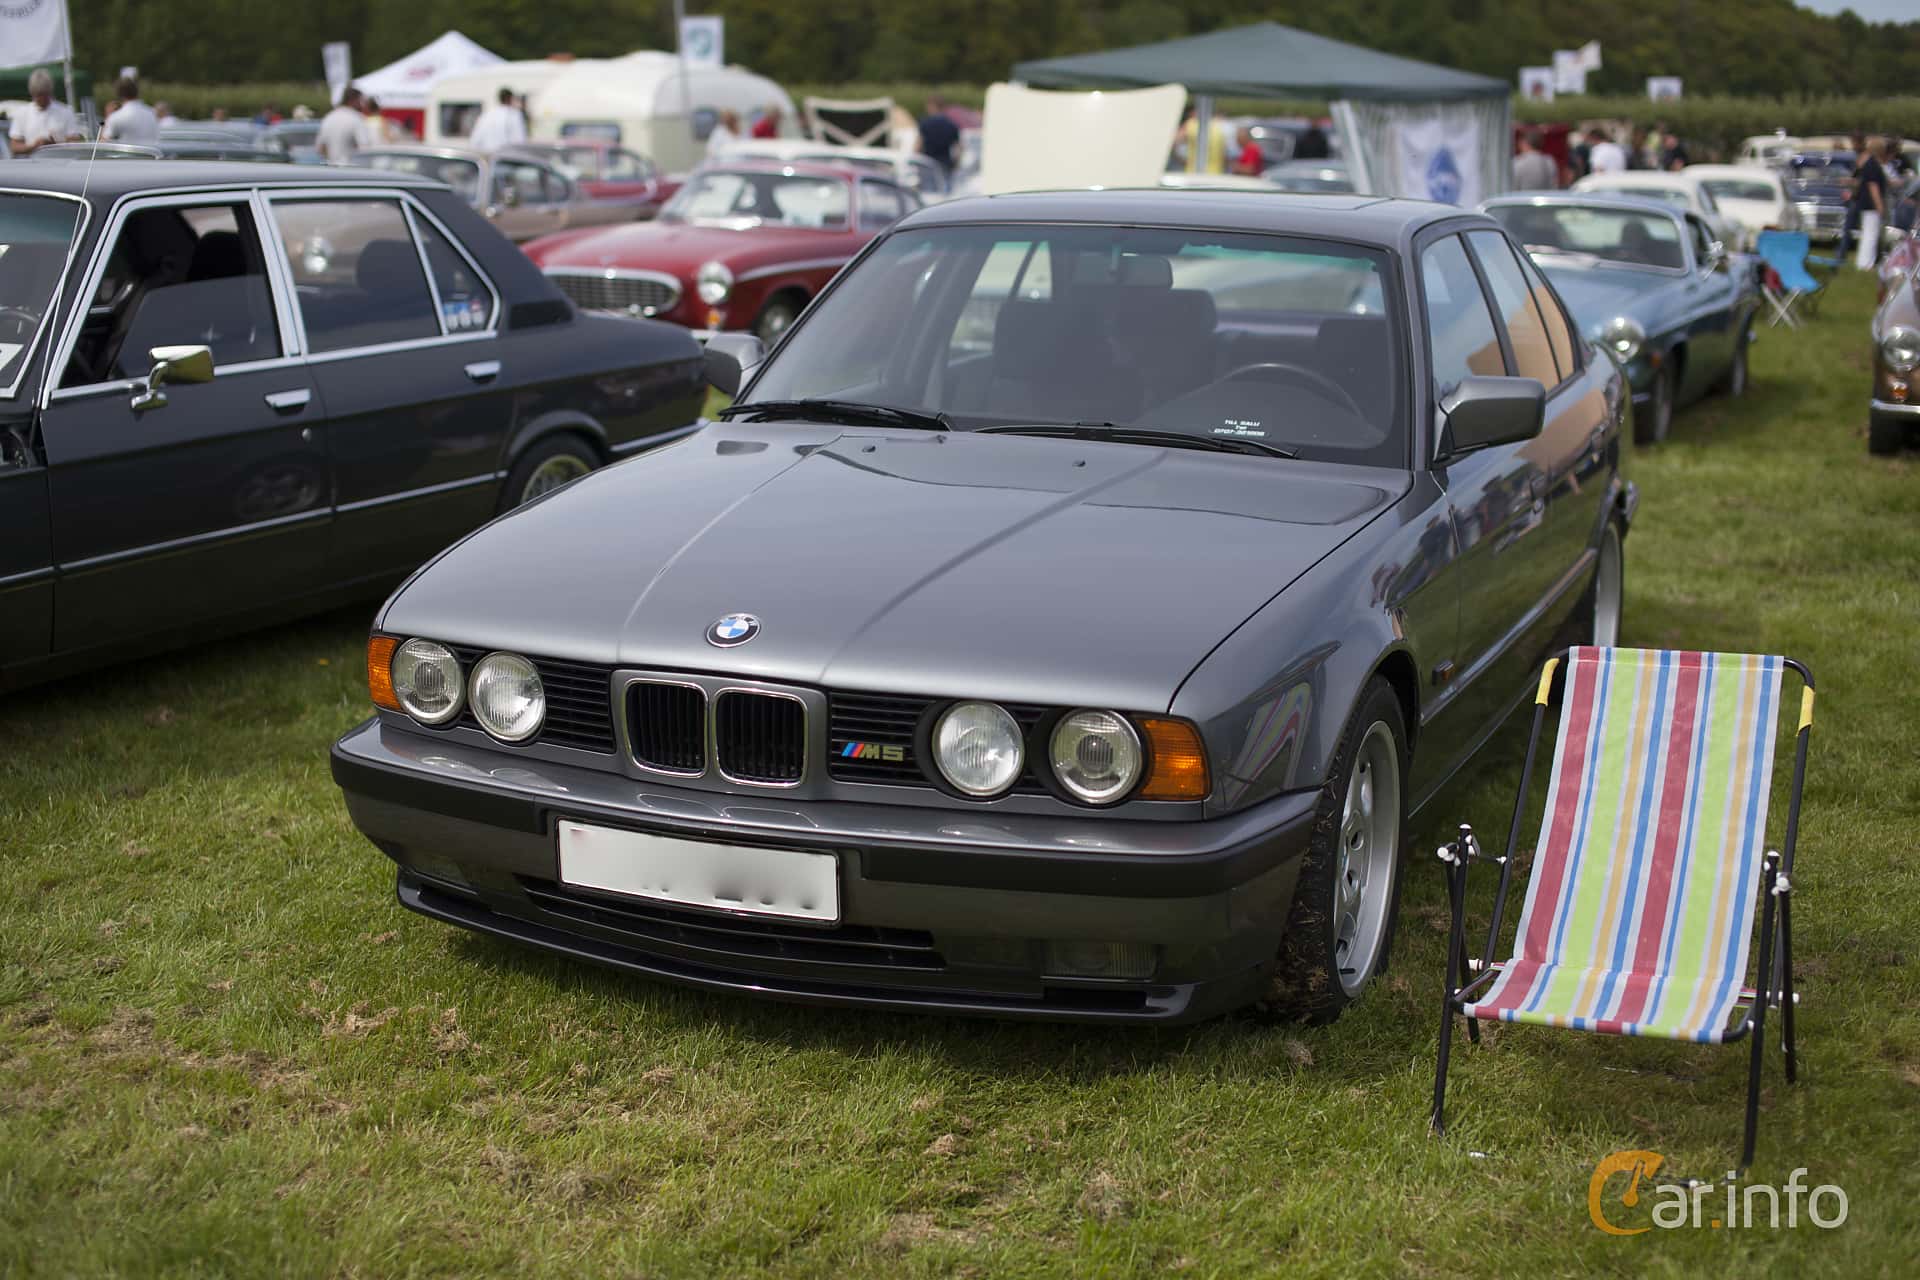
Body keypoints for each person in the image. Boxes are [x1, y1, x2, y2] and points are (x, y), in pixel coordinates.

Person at [9, 69, 83, 156]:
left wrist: (56, 144)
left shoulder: (66, 112)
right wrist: (34, 146)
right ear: (32, 93)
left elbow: (75, 143)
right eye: (39, 94)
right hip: (30, 161)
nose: (42, 98)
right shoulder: (22, 113)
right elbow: (14, 147)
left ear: (50, 91)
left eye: (45, 94)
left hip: (60, 161)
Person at [1847, 137, 1889, 270]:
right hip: (1871, 205)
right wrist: (1880, 206)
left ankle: (1863, 261)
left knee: (1867, 233)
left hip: (1866, 204)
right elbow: (1873, 186)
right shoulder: (1873, 165)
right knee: (1871, 234)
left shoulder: (1868, 163)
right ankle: (1866, 263)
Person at [315, 87, 370, 165]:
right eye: (361, 101)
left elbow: (321, 148)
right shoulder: (357, 118)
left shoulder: (329, 117)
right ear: (354, 100)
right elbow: (365, 148)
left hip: (332, 167)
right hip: (352, 167)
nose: (363, 105)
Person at [101, 75, 159, 145]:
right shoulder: (152, 112)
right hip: (152, 151)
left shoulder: (116, 116)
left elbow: (103, 144)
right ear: (137, 92)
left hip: (129, 152)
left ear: (119, 94)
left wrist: (108, 117)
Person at [467, 86, 527, 154]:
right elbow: (520, 140)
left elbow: (475, 139)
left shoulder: (487, 114)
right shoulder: (514, 114)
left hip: (488, 155)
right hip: (506, 156)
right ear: (510, 98)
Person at [1175, 105, 1228, 175]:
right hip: (1215, 172)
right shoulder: (1221, 124)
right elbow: (1225, 152)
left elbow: (1175, 142)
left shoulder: (1190, 123)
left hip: (1194, 171)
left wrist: (1180, 158)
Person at [918, 97, 959, 174]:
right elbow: (958, 148)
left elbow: (919, 144)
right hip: (945, 163)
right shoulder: (951, 124)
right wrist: (955, 164)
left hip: (927, 163)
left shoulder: (925, 123)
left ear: (932, 106)